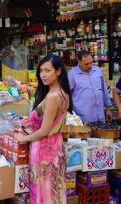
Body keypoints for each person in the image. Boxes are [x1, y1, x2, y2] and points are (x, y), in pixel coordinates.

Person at [16, 54, 72, 203]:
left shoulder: (53, 96)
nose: (43, 75)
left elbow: (44, 130)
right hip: (56, 146)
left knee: (42, 191)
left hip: (44, 148)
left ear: (58, 71)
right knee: (54, 190)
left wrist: (24, 138)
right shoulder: (63, 93)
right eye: (41, 71)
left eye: (47, 70)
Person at [68, 51, 113, 123]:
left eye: (91, 62)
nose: (90, 66)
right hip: (83, 118)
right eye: (86, 64)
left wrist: (108, 108)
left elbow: (104, 90)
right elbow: (66, 94)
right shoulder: (72, 75)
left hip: (100, 116)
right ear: (79, 62)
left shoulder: (98, 71)